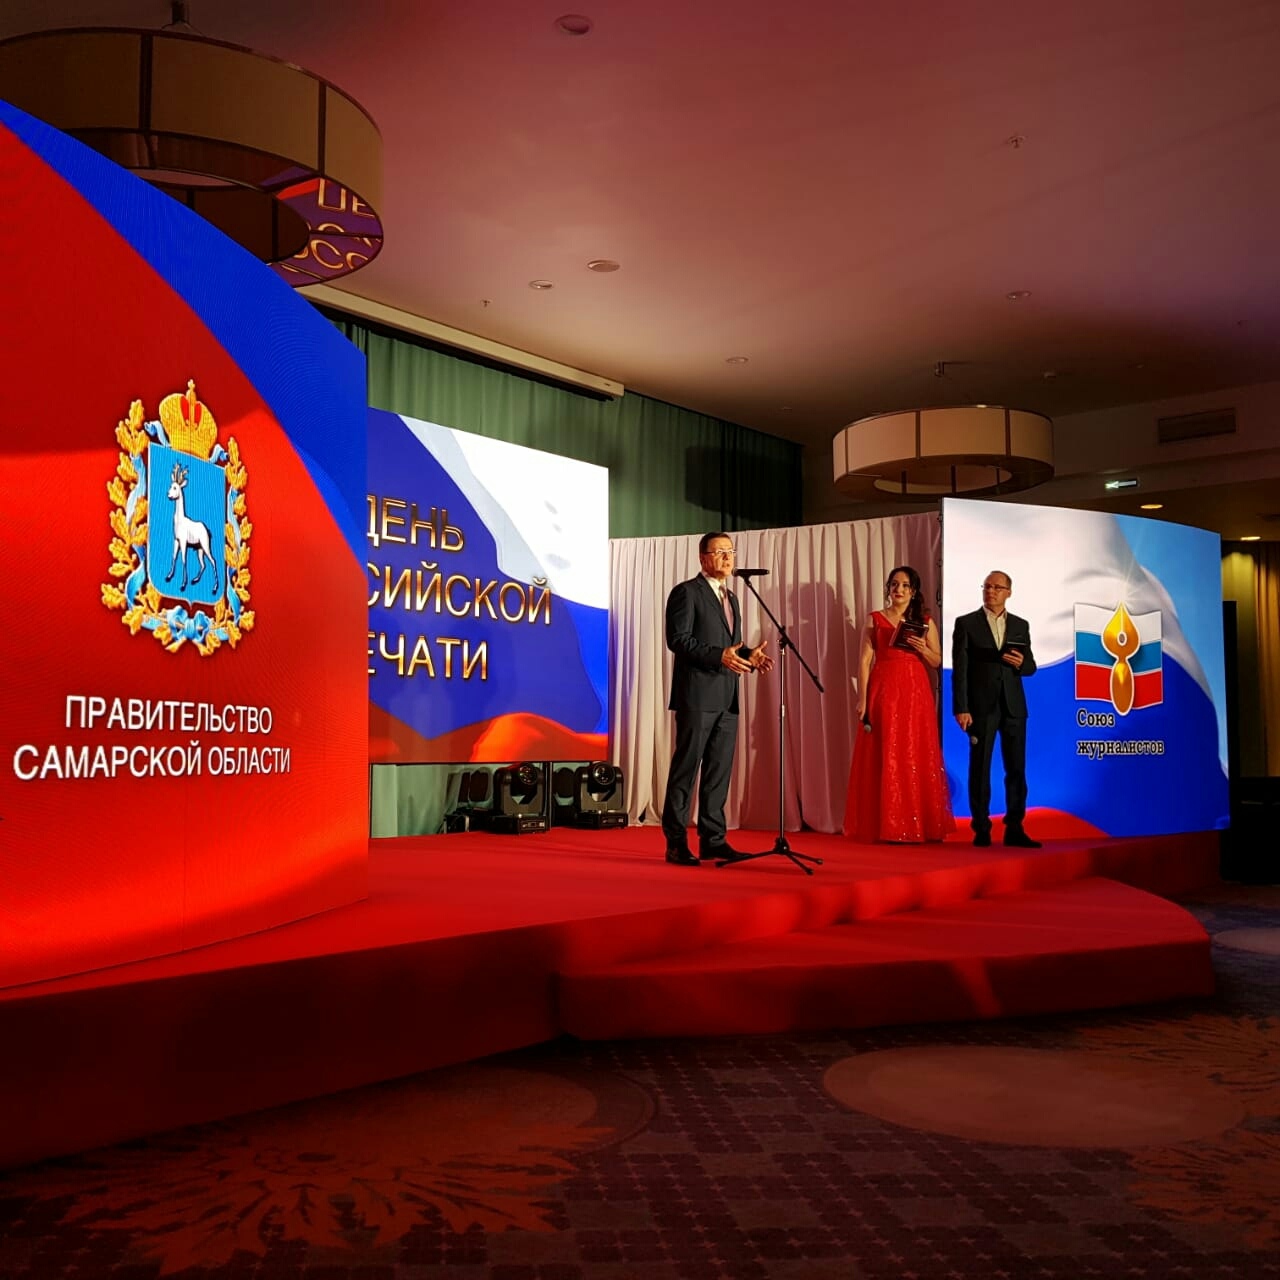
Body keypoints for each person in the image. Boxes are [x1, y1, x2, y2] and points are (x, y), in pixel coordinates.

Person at [661, 532, 773, 866]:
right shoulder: (686, 592)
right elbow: (678, 639)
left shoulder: (732, 598)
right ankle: (676, 843)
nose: (727, 557)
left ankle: (713, 840)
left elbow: (729, 646)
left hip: (727, 696)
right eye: (719, 551)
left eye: (730, 551)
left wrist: (749, 655)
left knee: (718, 772)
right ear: (703, 558)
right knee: (686, 770)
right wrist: (718, 656)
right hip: (697, 695)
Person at [843, 565, 954, 843]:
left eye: (904, 585)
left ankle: (918, 822)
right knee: (886, 750)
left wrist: (922, 647)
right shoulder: (875, 619)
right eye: (894, 584)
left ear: (913, 591)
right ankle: (887, 823)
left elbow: (937, 661)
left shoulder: (925, 621)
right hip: (884, 687)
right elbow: (864, 661)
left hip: (915, 691)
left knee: (914, 750)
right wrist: (862, 699)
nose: (899, 590)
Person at [952, 570, 1041, 848]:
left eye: (996, 587)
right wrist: (961, 707)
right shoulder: (966, 623)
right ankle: (981, 828)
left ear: (1008, 593)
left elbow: (1030, 666)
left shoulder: (1020, 625)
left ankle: (1015, 827)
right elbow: (960, 669)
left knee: (1016, 769)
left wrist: (1021, 663)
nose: (990, 591)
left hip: (1014, 707)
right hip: (981, 707)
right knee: (980, 768)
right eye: (987, 586)